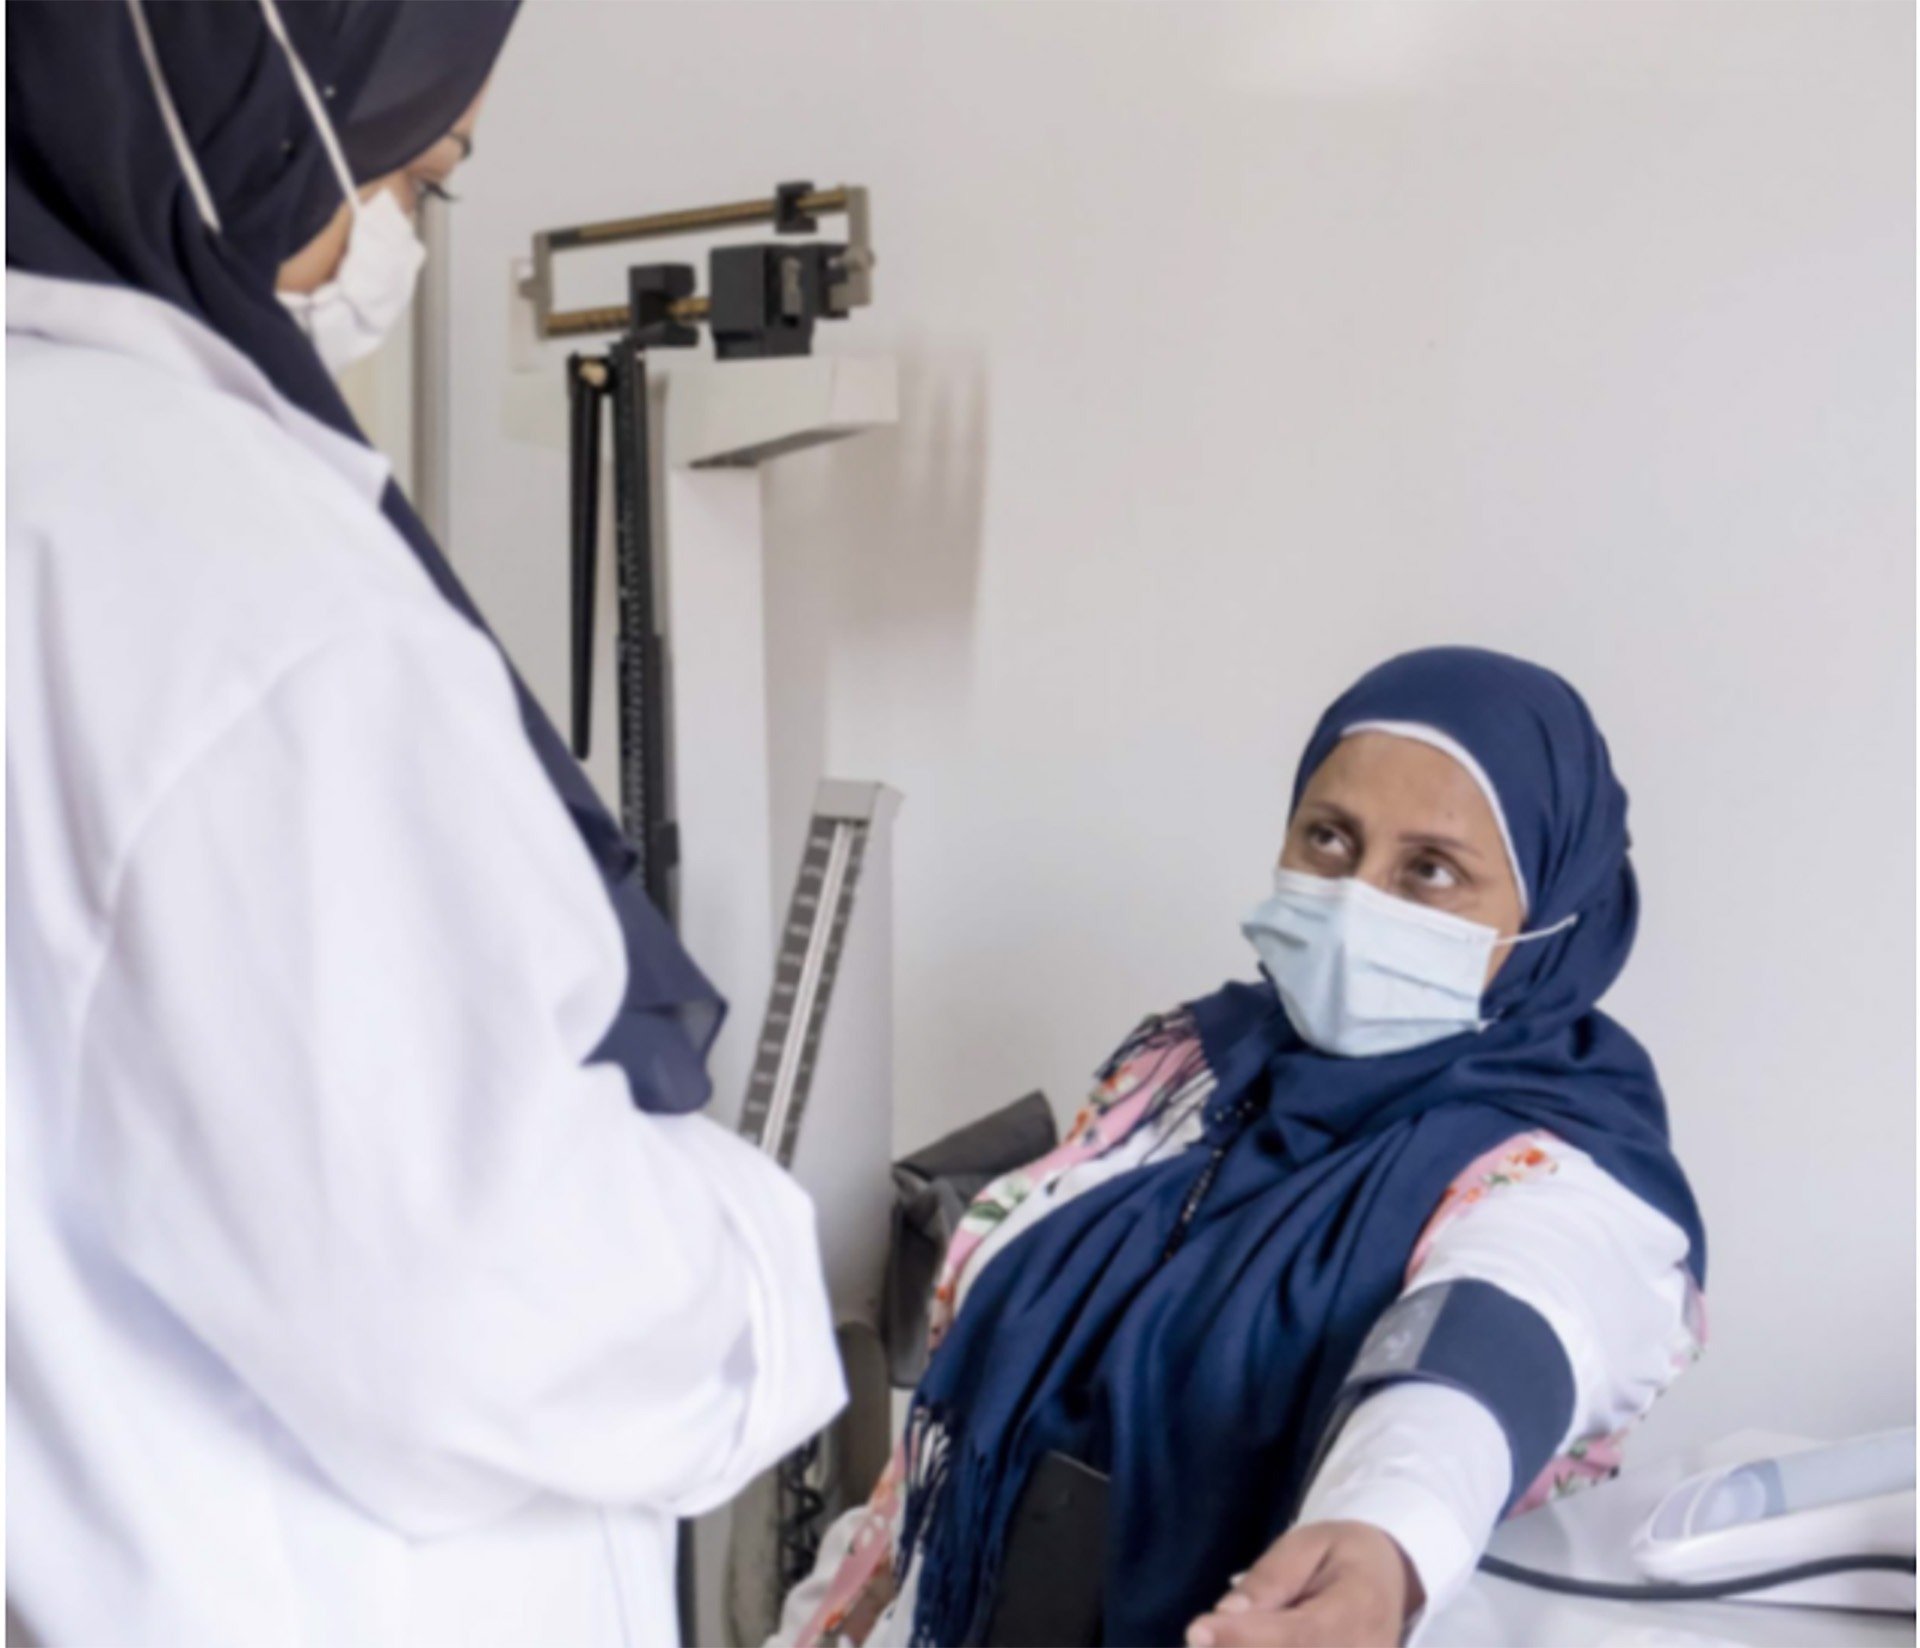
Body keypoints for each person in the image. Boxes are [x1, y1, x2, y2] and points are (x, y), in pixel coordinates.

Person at [7, 4, 842, 1643]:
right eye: (413, 185)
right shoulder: (226, 559)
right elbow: (471, 1287)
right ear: (253, 118)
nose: (397, 248)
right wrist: (755, 1264)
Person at [776, 647, 1706, 1648]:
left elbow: (1497, 1331)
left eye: (1431, 870)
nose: (1358, 899)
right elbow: (947, 1435)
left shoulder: (1567, 1169)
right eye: (1330, 838)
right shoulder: (1185, 1066)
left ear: (1556, 917)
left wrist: (1385, 1542)